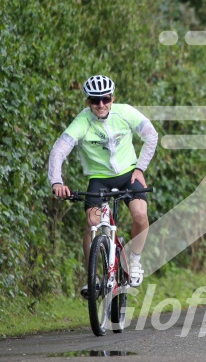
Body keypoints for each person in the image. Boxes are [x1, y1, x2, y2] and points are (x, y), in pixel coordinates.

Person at [48, 75, 158, 297]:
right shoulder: (82, 121)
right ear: (88, 101)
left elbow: (151, 136)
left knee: (139, 214)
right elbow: (59, 150)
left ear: (112, 98)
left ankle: (134, 260)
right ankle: (93, 277)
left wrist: (140, 169)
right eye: (95, 100)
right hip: (99, 178)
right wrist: (57, 181)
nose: (101, 105)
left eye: (105, 99)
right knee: (92, 222)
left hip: (128, 174)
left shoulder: (125, 112)